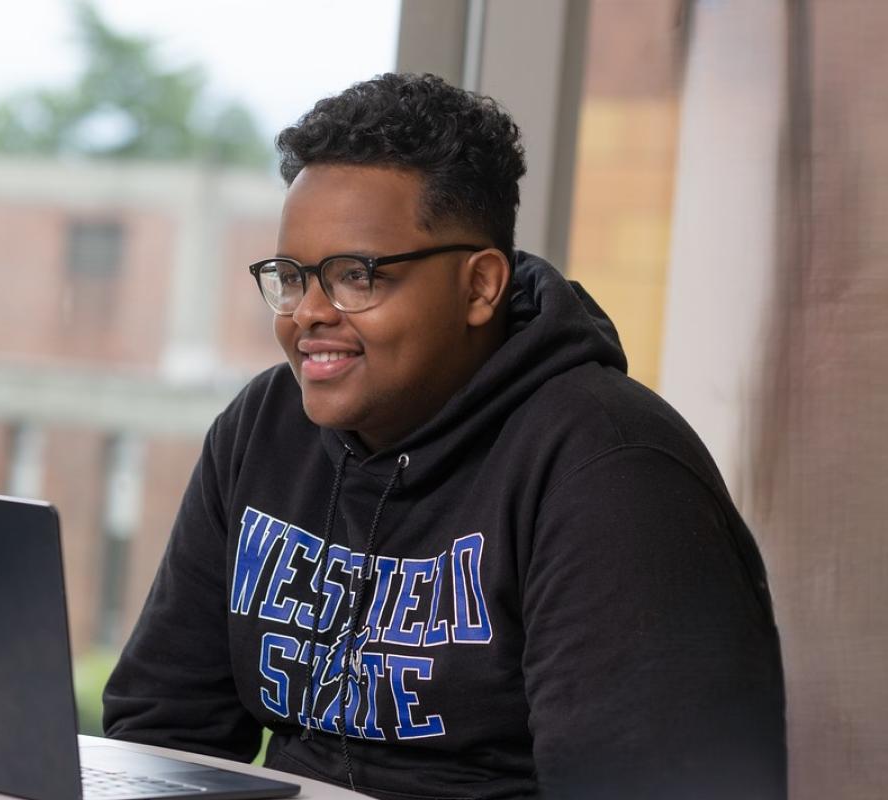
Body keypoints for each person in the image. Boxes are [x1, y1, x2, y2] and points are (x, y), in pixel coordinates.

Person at [102, 73, 786, 799]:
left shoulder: (613, 473)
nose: (308, 313)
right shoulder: (266, 427)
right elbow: (165, 732)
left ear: (479, 287)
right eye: (293, 277)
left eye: (355, 276)